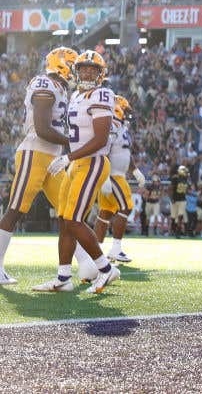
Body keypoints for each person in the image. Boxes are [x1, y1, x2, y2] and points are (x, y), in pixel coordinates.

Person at [34, 50, 121, 294]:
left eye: (93, 69)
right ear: (76, 71)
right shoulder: (75, 96)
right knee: (64, 219)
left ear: (101, 73)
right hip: (76, 163)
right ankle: (63, 277)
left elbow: (101, 137)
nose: (87, 72)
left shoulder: (102, 93)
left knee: (74, 219)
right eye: (83, 68)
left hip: (91, 162)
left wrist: (68, 156)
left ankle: (105, 269)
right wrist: (70, 159)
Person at [0, 47, 78, 286]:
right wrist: (74, 142)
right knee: (15, 209)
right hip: (35, 152)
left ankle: (88, 265)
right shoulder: (45, 83)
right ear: (63, 66)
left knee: (70, 211)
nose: (75, 72)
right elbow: (43, 129)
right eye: (73, 66)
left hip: (53, 158)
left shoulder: (61, 88)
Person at [94, 95, 146, 262]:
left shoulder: (120, 127)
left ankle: (96, 252)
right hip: (113, 175)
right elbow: (104, 148)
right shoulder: (113, 124)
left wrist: (135, 171)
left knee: (106, 212)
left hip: (116, 174)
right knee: (126, 207)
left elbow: (123, 152)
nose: (127, 114)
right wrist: (105, 175)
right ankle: (115, 249)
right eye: (125, 110)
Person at [169, 165, 190, 237]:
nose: (186, 173)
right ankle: (173, 230)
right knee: (173, 217)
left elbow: (186, 190)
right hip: (175, 200)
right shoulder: (175, 178)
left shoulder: (185, 179)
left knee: (180, 216)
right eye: (185, 171)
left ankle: (178, 232)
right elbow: (171, 189)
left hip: (182, 200)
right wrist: (171, 198)